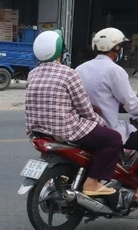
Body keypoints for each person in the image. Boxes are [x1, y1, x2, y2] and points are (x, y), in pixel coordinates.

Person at [25, 30, 122, 196]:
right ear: (60, 53)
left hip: (38, 132)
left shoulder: (32, 74)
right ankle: (92, 183)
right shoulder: (69, 73)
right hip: (66, 130)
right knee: (113, 139)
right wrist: (101, 122)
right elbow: (84, 108)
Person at [76, 28, 137, 150]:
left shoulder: (80, 68)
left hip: (83, 128)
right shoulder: (115, 71)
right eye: (120, 45)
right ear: (116, 48)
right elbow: (131, 104)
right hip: (107, 129)